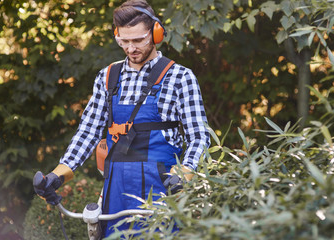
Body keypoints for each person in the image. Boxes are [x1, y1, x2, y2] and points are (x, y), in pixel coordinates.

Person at [33, 0, 210, 238]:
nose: (130, 48)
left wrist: (185, 174)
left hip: (162, 192)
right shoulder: (107, 77)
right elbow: (87, 133)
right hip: (114, 193)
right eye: (123, 41)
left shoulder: (180, 77)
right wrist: (58, 174)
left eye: (138, 40)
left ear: (156, 34)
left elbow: (199, 137)